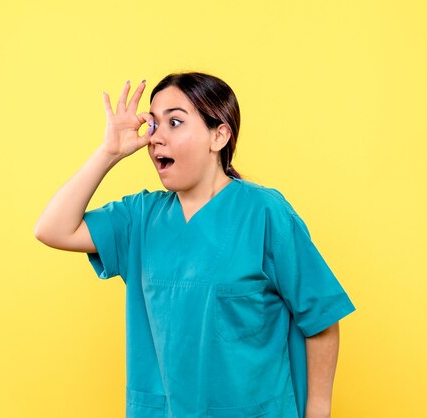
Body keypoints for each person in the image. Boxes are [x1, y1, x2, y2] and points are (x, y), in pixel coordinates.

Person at [34, 72, 356, 418]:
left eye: (175, 122)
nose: (156, 139)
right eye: (153, 125)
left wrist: (318, 410)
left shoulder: (264, 212)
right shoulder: (140, 217)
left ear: (219, 136)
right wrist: (108, 152)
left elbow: (321, 316)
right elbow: (52, 229)